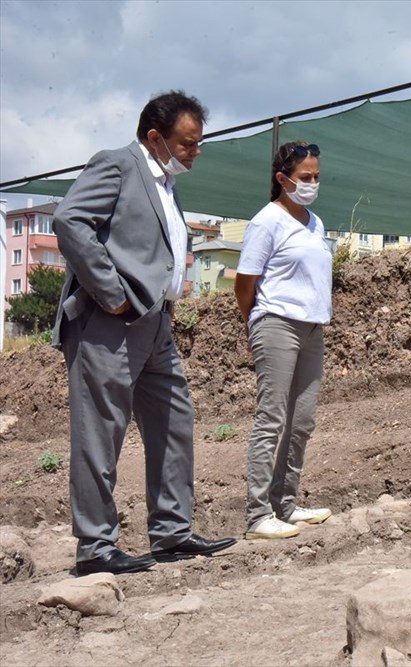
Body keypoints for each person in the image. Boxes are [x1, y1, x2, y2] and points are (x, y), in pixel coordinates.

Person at [52, 90, 236, 576]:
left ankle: (172, 532)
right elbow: (69, 220)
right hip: (109, 323)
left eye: (199, 143)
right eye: (187, 143)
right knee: (100, 434)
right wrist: (110, 291)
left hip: (156, 324)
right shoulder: (116, 165)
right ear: (155, 137)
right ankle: (95, 547)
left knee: (175, 420)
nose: (195, 151)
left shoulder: (167, 183)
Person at [235, 141, 333, 540]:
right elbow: (245, 282)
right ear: (282, 179)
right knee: (271, 418)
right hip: (276, 323)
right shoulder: (266, 222)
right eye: (304, 178)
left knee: (302, 420)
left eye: (316, 177)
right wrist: (254, 321)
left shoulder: (315, 222)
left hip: (313, 327)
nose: (311, 184)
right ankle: (258, 514)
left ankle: (286, 504)